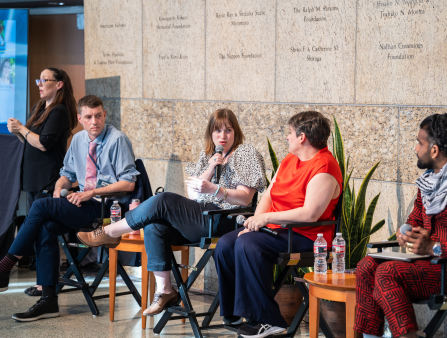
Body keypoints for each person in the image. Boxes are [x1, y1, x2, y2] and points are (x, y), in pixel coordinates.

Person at [77, 108, 267, 316]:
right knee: (154, 225)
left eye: (228, 130)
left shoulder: (245, 153)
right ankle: (165, 290)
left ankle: (111, 232)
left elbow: (246, 198)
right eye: (217, 131)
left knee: (164, 199)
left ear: (236, 132)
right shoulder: (208, 156)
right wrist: (211, 167)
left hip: (227, 219)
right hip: (201, 216)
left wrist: (215, 189)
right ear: (210, 134)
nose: (222, 136)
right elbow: (194, 197)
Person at [0, 95, 139, 322]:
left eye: (98, 116)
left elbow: (129, 183)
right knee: (47, 225)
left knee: (39, 206)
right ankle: (48, 300)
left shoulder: (117, 139)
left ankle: (6, 264)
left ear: (104, 115)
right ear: (80, 118)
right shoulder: (78, 140)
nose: (94, 121)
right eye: (88, 117)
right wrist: (59, 189)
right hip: (82, 202)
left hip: (106, 208)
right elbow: (67, 175)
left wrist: (92, 192)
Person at [213, 111, 342, 338]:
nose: (287, 138)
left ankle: (267, 319)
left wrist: (267, 219)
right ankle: (234, 313)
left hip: (306, 237)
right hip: (276, 231)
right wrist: (253, 223)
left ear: (302, 137)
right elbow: (269, 196)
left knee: (249, 245)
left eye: (290, 133)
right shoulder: (289, 160)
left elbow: (310, 214)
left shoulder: (325, 166)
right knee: (226, 244)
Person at [355, 114, 447, 338]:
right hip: (425, 265)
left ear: (434, 150)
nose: (416, 148)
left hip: (443, 268)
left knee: (388, 272)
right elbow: (415, 219)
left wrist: (433, 247)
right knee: (366, 266)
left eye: (420, 143)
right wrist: (405, 232)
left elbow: (434, 245)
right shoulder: (428, 182)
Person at [7, 68, 77, 297]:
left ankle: (47, 284)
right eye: (39, 79)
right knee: (39, 232)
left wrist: (22, 129)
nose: (39, 83)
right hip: (33, 178)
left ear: (59, 85)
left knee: (45, 233)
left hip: (48, 178)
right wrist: (18, 131)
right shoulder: (40, 108)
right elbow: (30, 142)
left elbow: (45, 143)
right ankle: (43, 282)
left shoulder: (59, 111)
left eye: (45, 80)